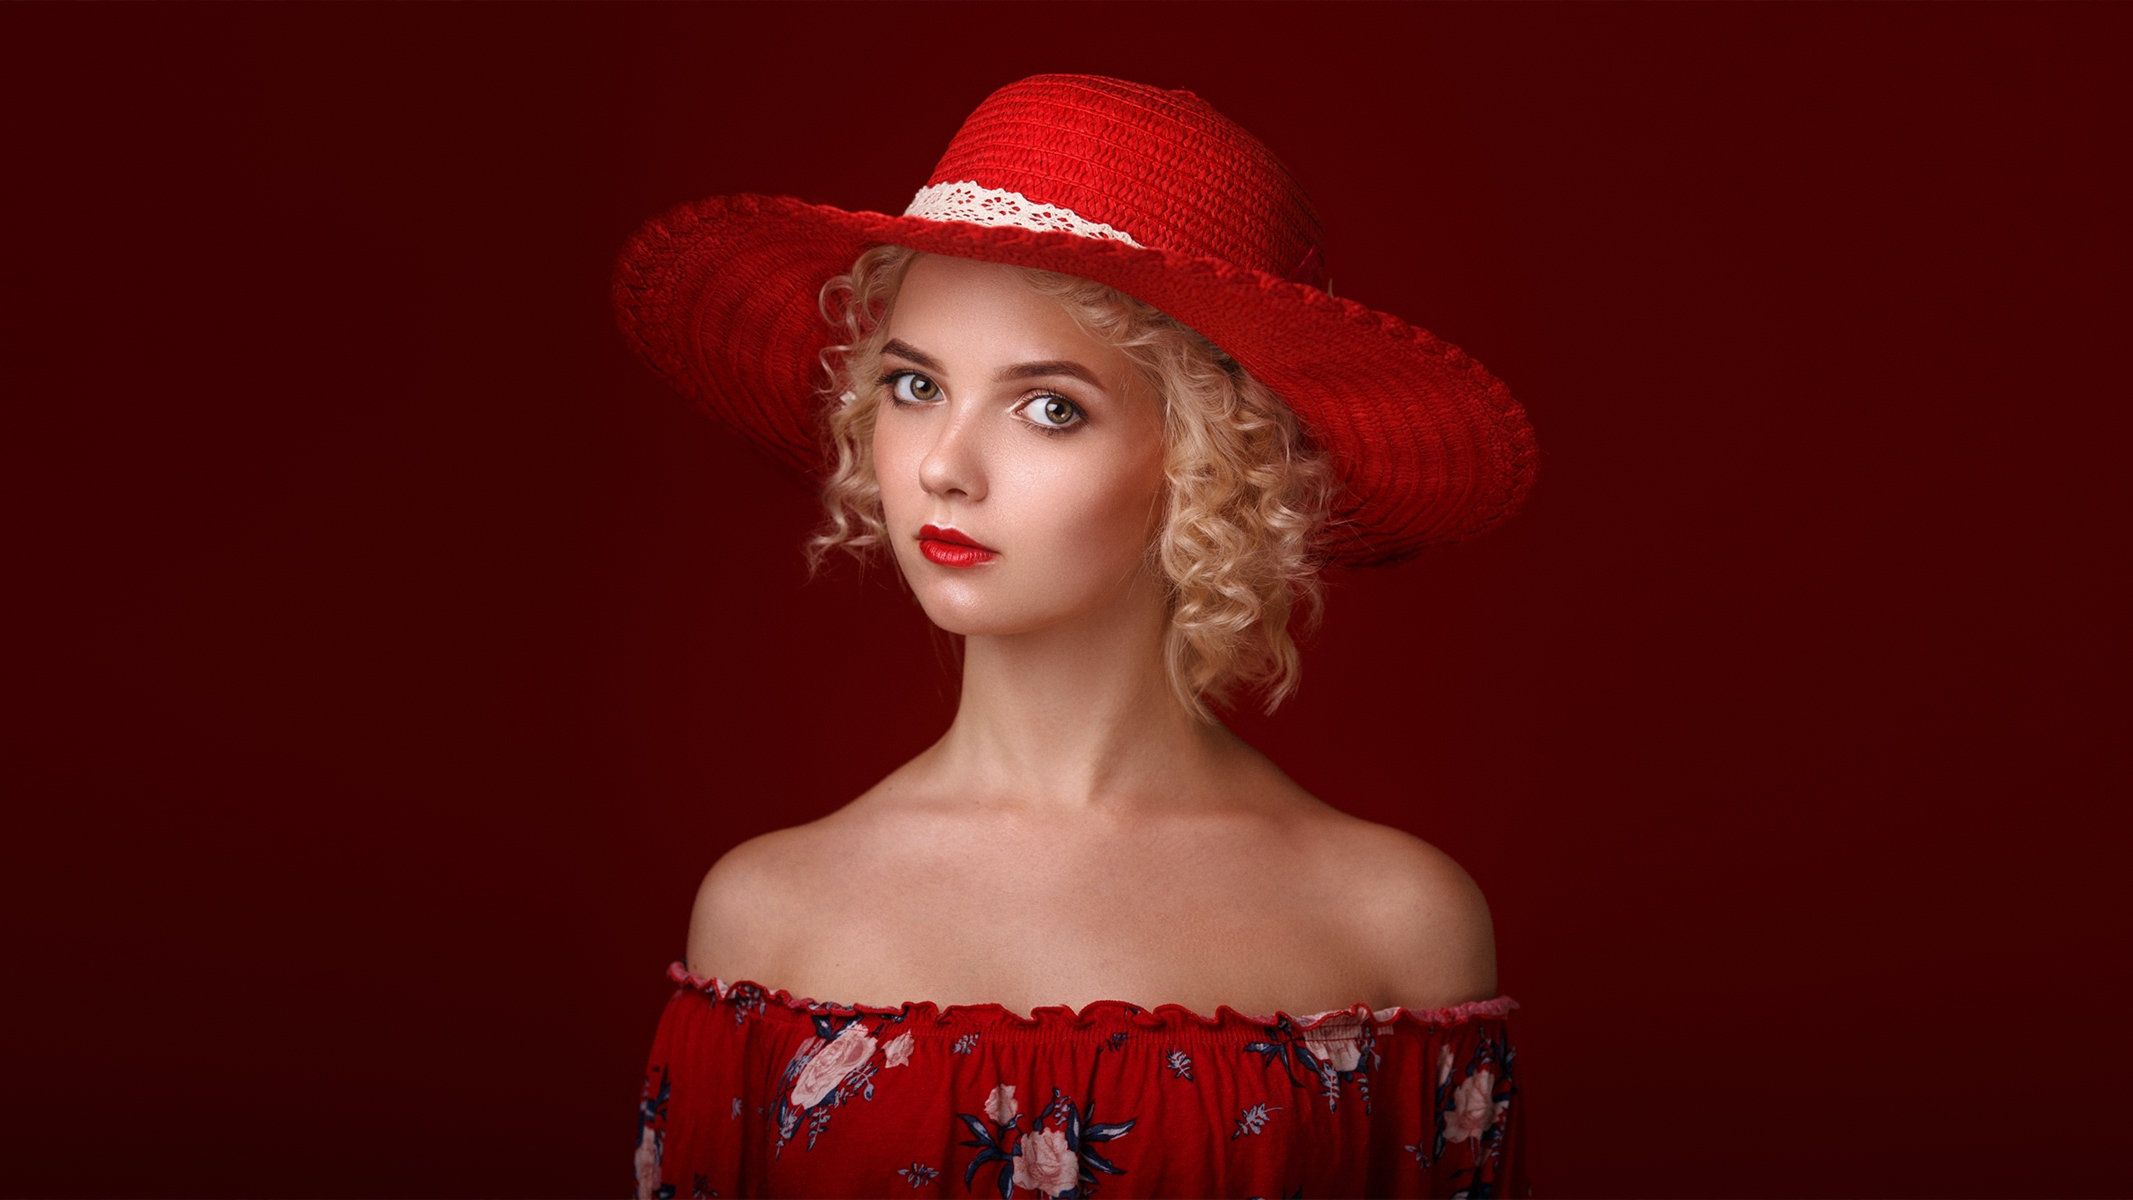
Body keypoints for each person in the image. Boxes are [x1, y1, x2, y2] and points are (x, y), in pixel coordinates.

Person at [613, 74, 1535, 1199]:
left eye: (1049, 406)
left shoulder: (1397, 930)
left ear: (1210, 464)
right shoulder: (765, 919)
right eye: (913, 385)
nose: (945, 465)